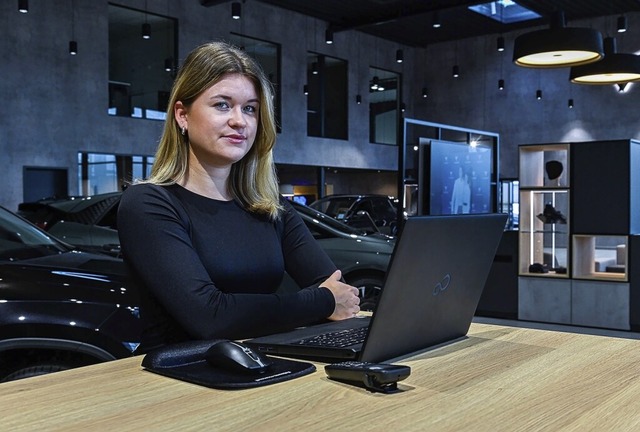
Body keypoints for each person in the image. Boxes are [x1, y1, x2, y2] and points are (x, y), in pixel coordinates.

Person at [117, 41, 360, 353]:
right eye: (222, 105)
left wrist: (323, 300)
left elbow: (339, 290)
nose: (239, 121)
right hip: (180, 379)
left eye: (250, 109)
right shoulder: (149, 204)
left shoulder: (270, 206)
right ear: (182, 115)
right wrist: (321, 301)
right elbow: (209, 318)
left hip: (258, 366)